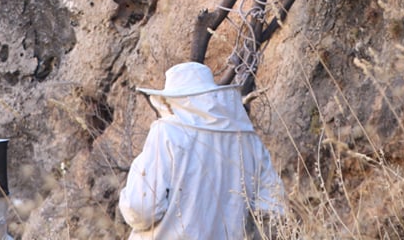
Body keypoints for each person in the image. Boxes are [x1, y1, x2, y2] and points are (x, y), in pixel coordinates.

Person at [119, 61, 285, 239]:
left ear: (176, 99)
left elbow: (142, 209)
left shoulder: (166, 132)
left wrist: (125, 199)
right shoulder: (248, 139)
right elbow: (272, 209)